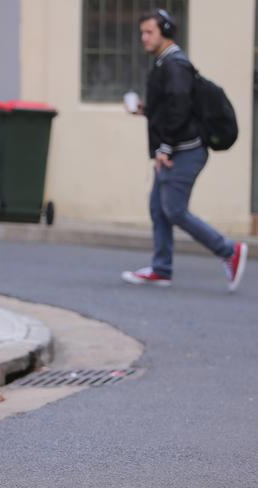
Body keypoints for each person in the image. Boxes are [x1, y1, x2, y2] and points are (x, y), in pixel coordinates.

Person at [121, 9, 248, 291]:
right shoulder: (165, 63)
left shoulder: (175, 65)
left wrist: (165, 147)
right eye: (142, 32)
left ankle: (229, 250)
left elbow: (179, 110)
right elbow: (171, 108)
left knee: (174, 210)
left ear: (164, 31)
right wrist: (146, 110)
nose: (143, 38)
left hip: (185, 150)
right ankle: (161, 269)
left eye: (149, 32)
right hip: (175, 148)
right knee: (158, 208)